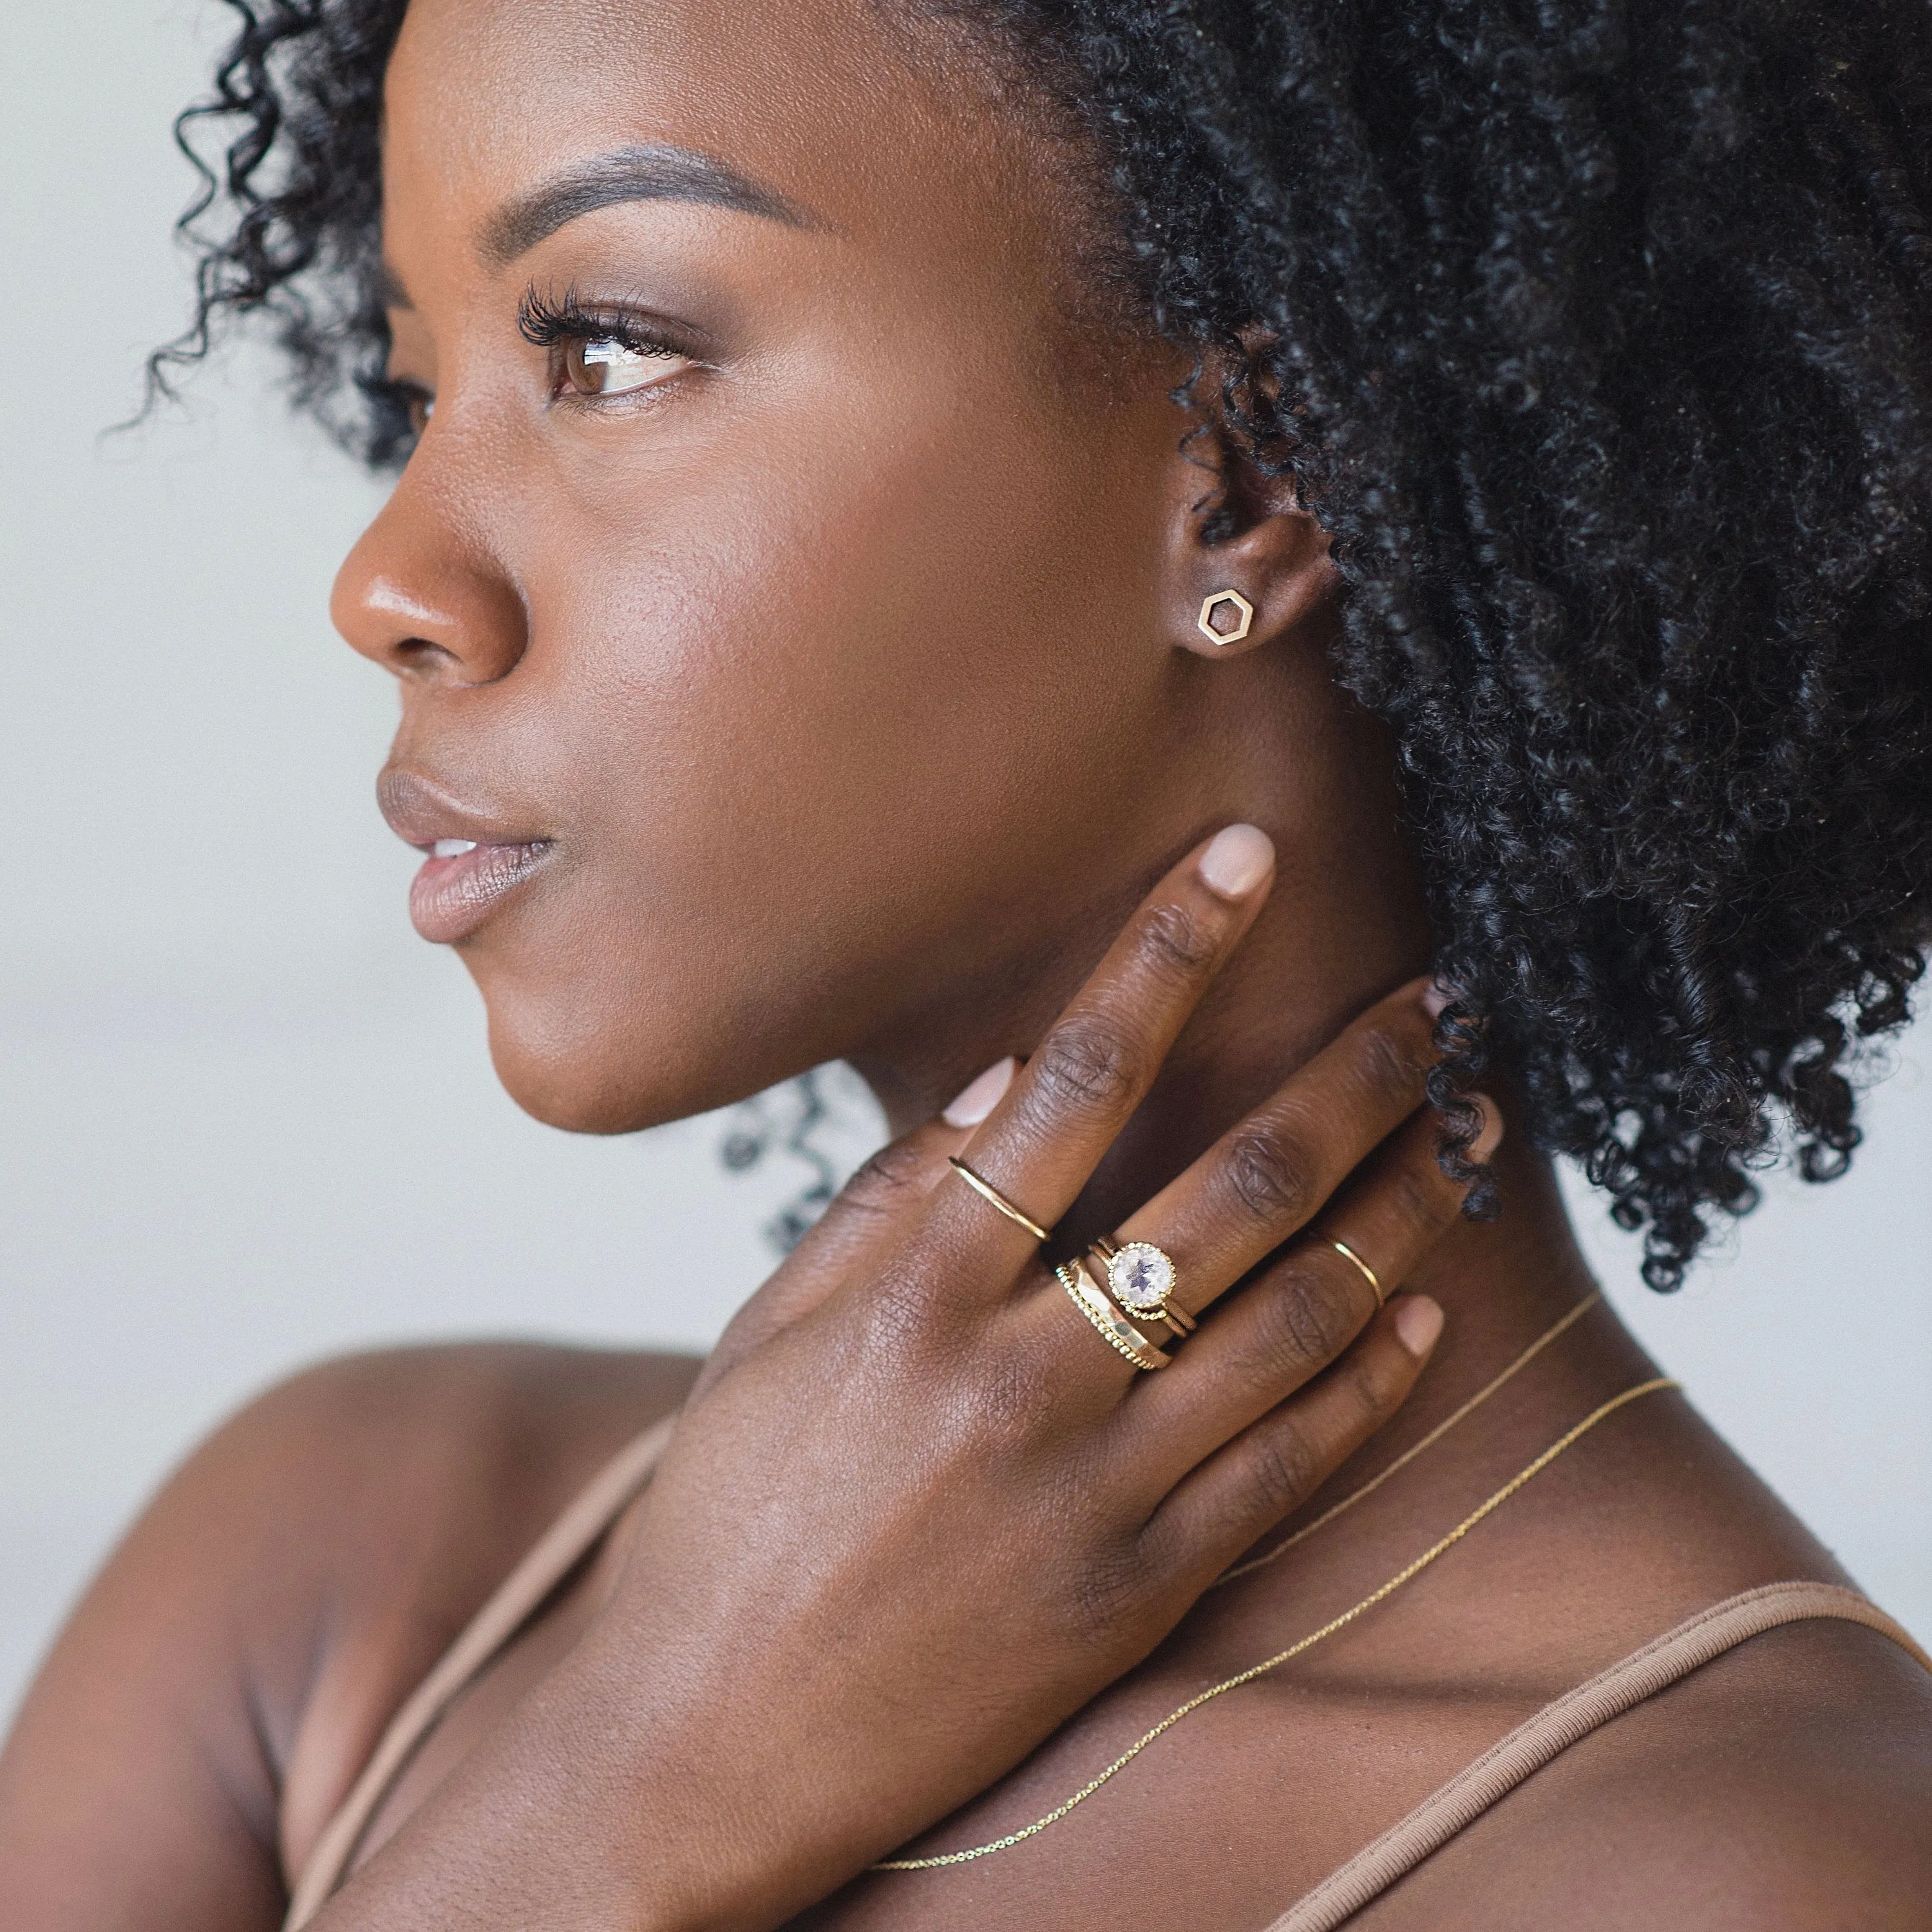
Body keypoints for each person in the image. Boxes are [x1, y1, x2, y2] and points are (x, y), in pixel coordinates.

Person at [3, 0, 1929, 1924]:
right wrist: (621, 1778)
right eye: (422, 384)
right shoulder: (341, 1582)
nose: (388, 582)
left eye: (607, 346)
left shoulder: (1761, 1872)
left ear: (1249, 479)